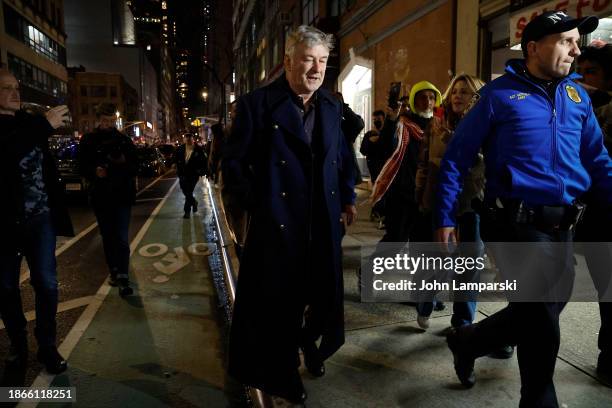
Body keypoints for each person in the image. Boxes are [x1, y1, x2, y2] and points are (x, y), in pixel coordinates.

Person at [435, 12, 612, 407]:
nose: (576, 49)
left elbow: (598, 159)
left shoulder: (576, 97)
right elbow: (456, 159)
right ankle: (538, 400)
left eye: (575, 41)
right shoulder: (498, 97)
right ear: (534, 47)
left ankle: (468, 341)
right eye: (566, 40)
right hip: (516, 223)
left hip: (564, 223)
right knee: (542, 321)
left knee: (542, 310)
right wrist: (444, 216)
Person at [223, 25, 356, 404]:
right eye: (308, 59)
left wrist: (347, 196)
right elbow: (233, 166)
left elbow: (342, 158)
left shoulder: (331, 106)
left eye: (323, 61)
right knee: (280, 306)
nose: (316, 68)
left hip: (324, 222)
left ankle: (311, 345)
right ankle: (284, 375)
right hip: (279, 227)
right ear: (287, 61)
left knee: (324, 298)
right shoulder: (256, 105)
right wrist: (262, 206)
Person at [0, 68, 73, 375]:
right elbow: (5, 153)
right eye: (6, 88)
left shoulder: (30, 122)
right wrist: (44, 125)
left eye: (16, 87)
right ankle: (19, 348)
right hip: (3, 223)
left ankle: (46, 347)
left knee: (46, 282)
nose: (15, 93)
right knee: (5, 289)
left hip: (40, 218)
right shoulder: (33, 127)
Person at [414, 74, 486, 330]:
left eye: (464, 92)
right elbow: (423, 163)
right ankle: (426, 302)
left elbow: (478, 163)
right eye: (455, 91)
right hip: (439, 203)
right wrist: (421, 194)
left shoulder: (486, 124)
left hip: (472, 204)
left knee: (469, 266)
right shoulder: (435, 123)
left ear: (476, 96)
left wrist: (450, 139)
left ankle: (463, 322)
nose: (457, 96)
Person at [576, 43, 612, 384]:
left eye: (593, 72)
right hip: (601, 216)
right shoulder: (586, 111)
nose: (586, 80)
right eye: (581, 72)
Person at [79, 102, 138, 297]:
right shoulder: (88, 141)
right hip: (101, 196)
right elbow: (82, 166)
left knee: (121, 237)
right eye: (104, 120)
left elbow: (134, 167)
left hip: (121, 196)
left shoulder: (123, 141)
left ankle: (122, 275)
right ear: (98, 119)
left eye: (111, 121)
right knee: (108, 236)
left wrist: (120, 163)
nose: (107, 124)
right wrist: (95, 171)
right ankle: (113, 269)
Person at [173, 133, 207, 218]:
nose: (188, 140)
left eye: (189, 138)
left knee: (189, 191)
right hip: (182, 174)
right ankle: (194, 202)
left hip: (193, 174)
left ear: (193, 139)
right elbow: (175, 158)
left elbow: (203, 161)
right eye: (186, 138)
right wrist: (174, 164)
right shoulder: (180, 149)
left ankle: (187, 212)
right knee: (185, 191)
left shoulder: (198, 149)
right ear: (184, 139)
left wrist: (201, 171)